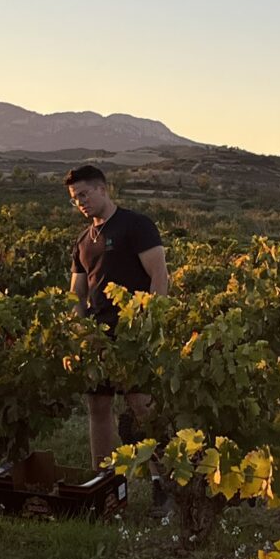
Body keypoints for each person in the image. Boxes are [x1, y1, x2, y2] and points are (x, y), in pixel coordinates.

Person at [65, 165, 170, 469]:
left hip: (134, 333)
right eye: (74, 198)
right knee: (98, 406)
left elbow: (159, 276)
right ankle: (103, 479)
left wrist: (150, 326)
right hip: (98, 337)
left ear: (103, 189)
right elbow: (77, 294)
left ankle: (164, 480)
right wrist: (80, 333)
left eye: (83, 194)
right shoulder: (83, 240)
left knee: (142, 406)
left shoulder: (136, 226)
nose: (80, 202)